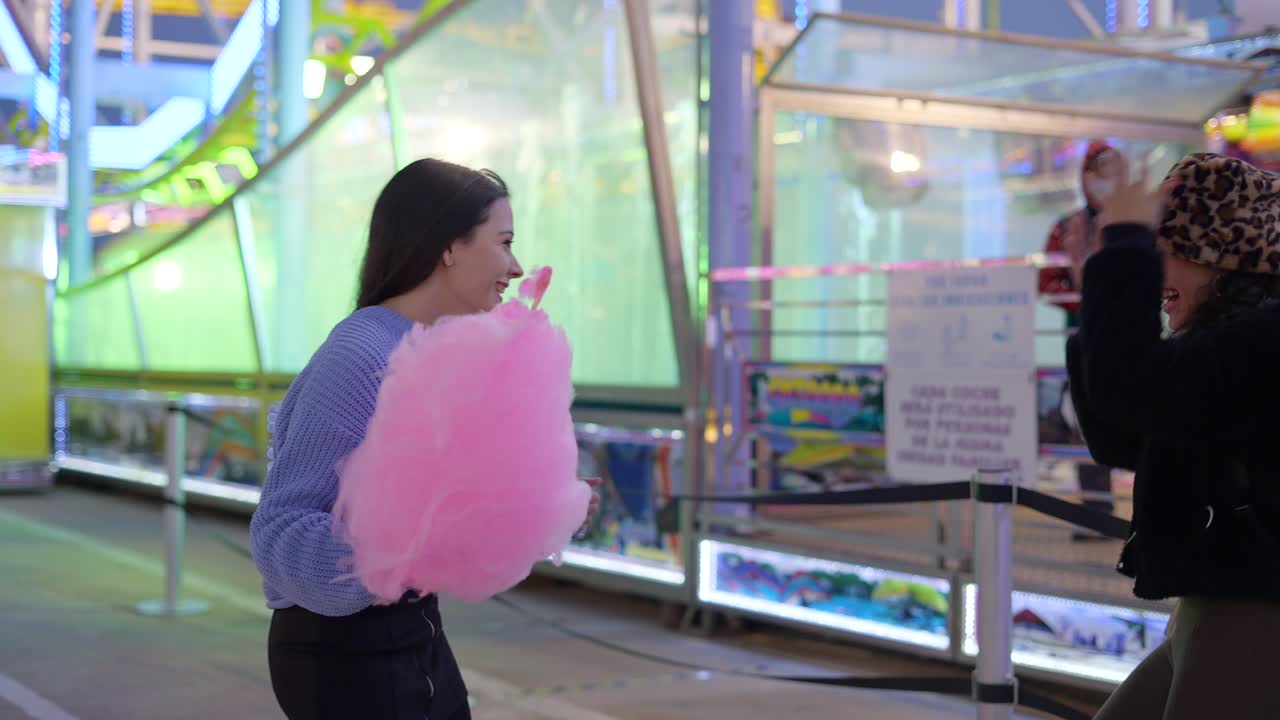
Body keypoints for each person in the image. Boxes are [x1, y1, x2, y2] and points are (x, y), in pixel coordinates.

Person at [249, 159, 598, 720]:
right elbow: (281, 533)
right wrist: (407, 539)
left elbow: (435, 513)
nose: (515, 265)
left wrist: (542, 508)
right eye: (504, 242)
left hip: (413, 630)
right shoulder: (361, 358)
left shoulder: (434, 353)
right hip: (345, 651)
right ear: (448, 248)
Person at [1069, 152, 1280, 719]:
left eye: (1168, 250)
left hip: (1255, 610)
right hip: (1217, 606)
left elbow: (1127, 389)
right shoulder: (1223, 345)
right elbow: (1120, 436)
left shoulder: (1263, 343)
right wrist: (1099, 291)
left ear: (1222, 258)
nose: (1154, 273)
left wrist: (1122, 253)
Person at [1040, 140, 1124, 535]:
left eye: (1115, 170)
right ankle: (1096, 510)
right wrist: (1082, 295)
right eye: (1101, 171)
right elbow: (1047, 281)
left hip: (1129, 330)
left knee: (1128, 409)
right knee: (1083, 416)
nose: (1108, 180)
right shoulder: (1068, 226)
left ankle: (1130, 508)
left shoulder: (1137, 225)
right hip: (1082, 333)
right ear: (1086, 177)